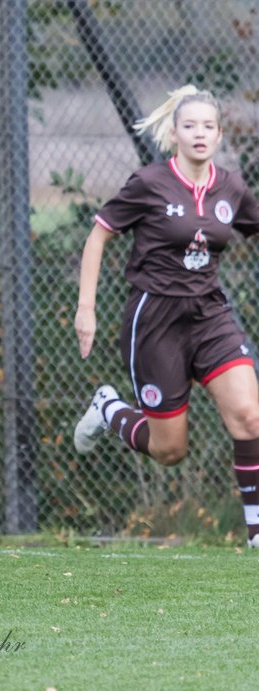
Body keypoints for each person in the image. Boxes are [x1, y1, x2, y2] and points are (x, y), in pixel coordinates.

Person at [73, 85, 259, 546]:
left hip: (210, 316)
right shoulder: (150, 183)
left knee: (250, 418)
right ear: (174, 133)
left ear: (218, 136)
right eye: (190, 125)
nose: (200, 133)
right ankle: (109, 408)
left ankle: (257, 533)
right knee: (170, 450)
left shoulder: (231, 188)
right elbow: (98, 236)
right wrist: (86, 309)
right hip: (155, 320)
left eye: (208, 127)